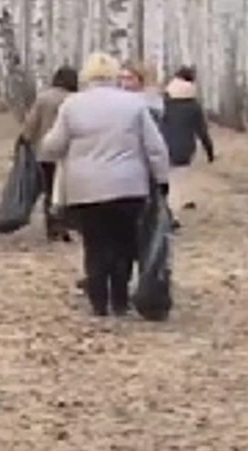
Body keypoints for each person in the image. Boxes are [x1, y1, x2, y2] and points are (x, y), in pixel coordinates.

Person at [40, 52, 171, 317]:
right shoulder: (134, 105)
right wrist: (162, 179)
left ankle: (99, 302)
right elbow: (155, 147)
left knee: (95, 244)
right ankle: (120, 300)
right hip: (129, 187)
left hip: (85, 188)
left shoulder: (72, 105)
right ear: (113, 75)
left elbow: (52, 146)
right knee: (124, 242)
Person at [19, 66, 79, 242]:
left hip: (45, 153)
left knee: (49, 190)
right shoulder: (75, 99)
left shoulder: (43, 98)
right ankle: (66, 225)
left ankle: (52, 227)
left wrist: (26, 139)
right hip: (70, 154)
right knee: (67, 192)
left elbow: (31, 123)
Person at [159, 65, 216, 222]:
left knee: (166, 181)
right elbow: (202, 131)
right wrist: (209, 150)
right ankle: (173, 217)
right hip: (184, 148)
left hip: (162, 145)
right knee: (177, 181)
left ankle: (166, 211)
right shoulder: (193, 105)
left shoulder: (163, 102)